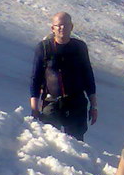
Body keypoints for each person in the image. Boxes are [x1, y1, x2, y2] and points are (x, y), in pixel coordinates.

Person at [29, 12, 97, 140]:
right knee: (49, 140)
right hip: (52, 101)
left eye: (65, 25)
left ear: (71, 27)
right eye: (58, 25)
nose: (62, 28)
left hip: (76, 103)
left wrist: (94, 105)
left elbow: (88, 75)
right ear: (52, 28)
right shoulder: (44, 48)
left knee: (76, 143)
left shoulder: (79, 47)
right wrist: (34, 108)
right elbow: (35, 78)